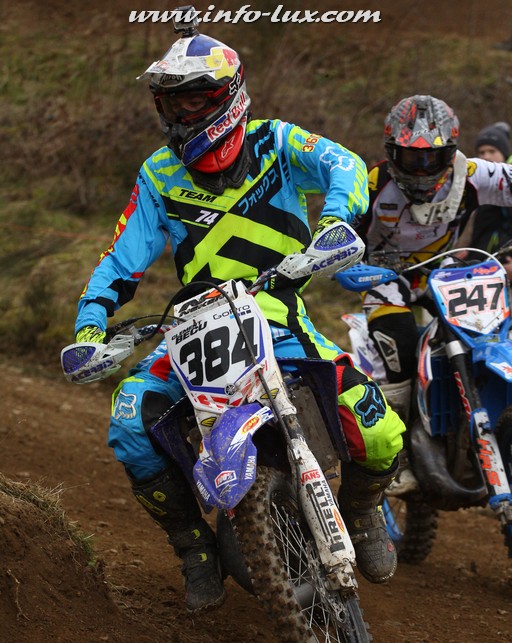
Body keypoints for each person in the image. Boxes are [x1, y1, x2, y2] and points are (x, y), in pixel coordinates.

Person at [72, 10, 404, 612]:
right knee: (129, 421)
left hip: (277, 313)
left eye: (193, 100)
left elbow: (346, 165)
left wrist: (334, 224)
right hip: (193, 326)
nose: (181, 115)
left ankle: (361, 512)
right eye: (171, 104)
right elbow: (122, 257)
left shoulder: (276, 143)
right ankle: (192, 546)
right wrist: (91, 326)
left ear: (226, 95)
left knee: (377, 427)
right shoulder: (159, 173)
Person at [356, 94, 512, 496]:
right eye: (412, 157)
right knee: (401, 351)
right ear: (393, 152)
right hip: (383, 277)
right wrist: (345, 262)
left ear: (450, 151)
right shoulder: (372, 183)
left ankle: (470, 418)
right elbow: (340, 227)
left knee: (486, 330)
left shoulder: (473, 174)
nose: (423, 168)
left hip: (441, 272)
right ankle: (400, 456)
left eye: (432, 157)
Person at [455, 122, 512, 275]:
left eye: (492, 151)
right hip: (483, 268)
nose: (486, 156)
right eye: (481, 152)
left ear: (504, 153)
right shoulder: (475, 187)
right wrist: (468, 252)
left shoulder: (508, 189)